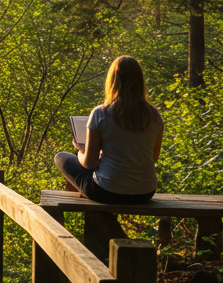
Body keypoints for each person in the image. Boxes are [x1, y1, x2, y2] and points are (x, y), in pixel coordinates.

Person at [56, 55, 161, 203]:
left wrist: (81, 150)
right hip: (145, 193)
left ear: (113, 81)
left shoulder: (101, 113)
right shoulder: (154, 115)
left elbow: (89, 164)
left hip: (107, 191)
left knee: (61, 157)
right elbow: (153, 158)